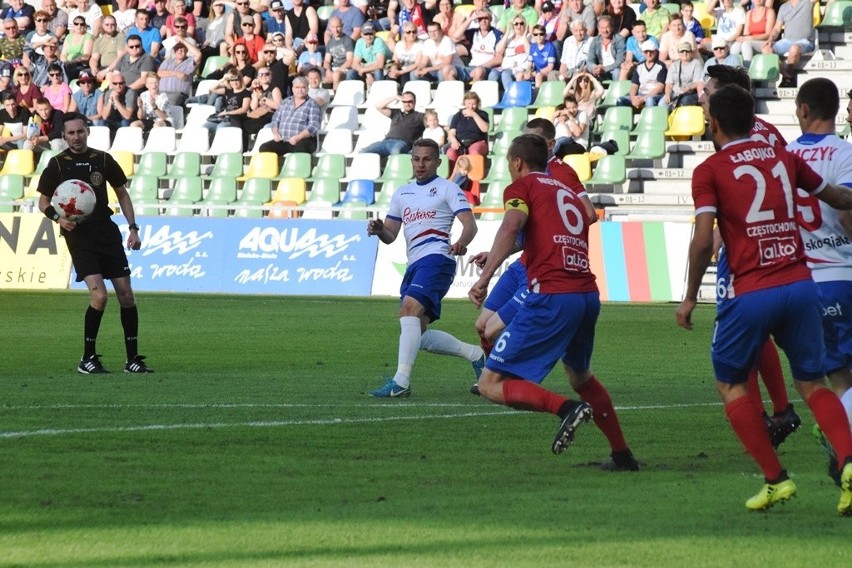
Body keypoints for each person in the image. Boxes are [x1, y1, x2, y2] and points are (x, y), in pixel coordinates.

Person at [675, 83, 852, 513]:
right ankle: (849, 462)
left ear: (713, 123)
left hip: (751, 290)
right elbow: (838, 198)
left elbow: (703, 242)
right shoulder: (784, 158)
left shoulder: (710, 170)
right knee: (813, 382)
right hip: (799, 283)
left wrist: (689, 296)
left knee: (731, 383)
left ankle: (776, 480)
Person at [467, 133, 615, 459]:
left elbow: (511, 225)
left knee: (490, 384)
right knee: (581, 376)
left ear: (517, 162)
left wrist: (485, 277)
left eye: (508, 163)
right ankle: (622, 454)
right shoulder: (564, 190)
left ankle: (566, 410)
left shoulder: (521, 188)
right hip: (586, 292)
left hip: (552, 294)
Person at [699, 64, 799, 448]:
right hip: (776, 244)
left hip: (746, 247)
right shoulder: (769, 133)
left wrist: (720, 234)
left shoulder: (733, 138)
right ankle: (781, 410)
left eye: (708, 91)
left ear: (724, 97)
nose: (702, 97)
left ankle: (763, 421)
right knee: (759, 333)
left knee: (738, 336)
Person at [367, 138, 484, 398]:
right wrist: (378, 231)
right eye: (416, 159)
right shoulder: (402, 193)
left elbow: (470, 225)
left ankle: (401, 382)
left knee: (408, 311)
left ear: (438, 162)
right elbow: (391, 235)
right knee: (417, 332)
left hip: (438, 259)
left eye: (427, 159)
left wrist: (461, 243)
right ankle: (477, 355)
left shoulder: (447, 189)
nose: (421, 164)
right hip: (415, 264)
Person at [37, 112, 153, 375]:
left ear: (87, 131)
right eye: (71, 133)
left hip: (106, 232)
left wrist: (133, 228)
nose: (76, 137)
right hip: (79, 235)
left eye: (80, 131)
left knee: (126, 294)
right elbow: (43, 201)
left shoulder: (102, 159)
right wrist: (58, 218)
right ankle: (87, 358)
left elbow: (122, 193)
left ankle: (132, 359)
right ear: (64, 136)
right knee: (99, 296)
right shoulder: (57, 164)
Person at [786, 78, 852, 482]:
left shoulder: (786, 155)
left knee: (837, 375)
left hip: (810, 277)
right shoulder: (846, 154)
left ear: (804, 109)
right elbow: (847, 214)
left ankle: (841, 445)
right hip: (843, 271)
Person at [259, 75, 320, 158]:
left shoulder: (313, 104)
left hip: (304, 140)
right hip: (284, 140)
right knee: (264, 148)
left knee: (300, 150)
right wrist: (275, 133)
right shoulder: (285, 102)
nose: (300, 90)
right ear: (292, 89)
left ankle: (297, 170)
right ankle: (274, 170)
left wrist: (298, 137)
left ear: (307, 89)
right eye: (297, 87)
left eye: (303, 87)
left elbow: (313, 126)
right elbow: (275, 120)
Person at [762, 0, 814, 87]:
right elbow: (776, 29)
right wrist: (770, 39)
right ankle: (787, 76)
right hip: (786, 41)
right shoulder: (783, 7)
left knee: (794, 48)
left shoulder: (807, 1)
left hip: (804, 41)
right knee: (766, 49)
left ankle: (787, 77)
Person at [362, 92, 424, 158]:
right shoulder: (396, 113)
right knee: (363, 152)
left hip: (402, 143)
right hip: (385, 142)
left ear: (415, 102)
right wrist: (394, 97)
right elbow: (378, 107)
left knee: (396, 152)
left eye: (410, 101)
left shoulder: (419, 116)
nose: (407, 104)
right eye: (405, 101)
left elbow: (431, 120)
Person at [617, 39, 666, 110]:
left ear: (656, 52)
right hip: (640, 94)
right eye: (646, 52)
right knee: (620, 100)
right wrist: (633, 97)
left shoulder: (660, 66)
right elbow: (634, 85)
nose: (649, 54)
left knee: (650, 100)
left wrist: (644, 98)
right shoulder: (640, 66)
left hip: (654, 95)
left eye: (651, 51)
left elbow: (660, 87)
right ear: (643, 52)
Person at [445, 91, 489, 168]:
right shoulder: (458, 116)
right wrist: (454, 141)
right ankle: (453, 176)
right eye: (468, 104)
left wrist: (474, 115)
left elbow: (485, 129)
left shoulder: (482, 114)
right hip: (460, 143)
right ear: (465, 103)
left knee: (474, 152)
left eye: (473, 104)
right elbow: (451, 133)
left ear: (477, 104)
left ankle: (474, 177)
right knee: (450, 153)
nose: (471, 106)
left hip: (477, 142)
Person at [731, 0, 775, 66]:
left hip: (764, 42)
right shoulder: (749, 13)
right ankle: (732, 70)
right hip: (750, 40)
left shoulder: (769, 12)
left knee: (746, 44)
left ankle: (747, 70)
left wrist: (750, 38)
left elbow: (768, 34)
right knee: (736, 45)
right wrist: (742, 38)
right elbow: (746, 33)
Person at [157, 41, 200, 107]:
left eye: (182, 47)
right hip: (161, 93)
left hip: (178, 94)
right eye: (177, 47)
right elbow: (159, 73)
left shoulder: (190, 61)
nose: (179, 50)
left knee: (168, 104)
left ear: (187, 49)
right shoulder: (168, 61)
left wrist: (182, 40)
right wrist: (176, 73)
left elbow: (199, 55)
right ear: (174, 50)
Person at [348, 22, 390, 87]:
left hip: (385, 67)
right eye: (366, 34)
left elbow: (380, 64)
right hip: (369, 67)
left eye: (371, 34)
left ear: (374, 33)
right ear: (361, 34)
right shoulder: (360, 42)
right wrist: (367, 73)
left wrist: (364, 70)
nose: (368, 37)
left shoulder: (378, 41)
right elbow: (354, 64)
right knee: (350, 73)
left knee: (377, 72)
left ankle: (380, 91)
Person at [663, 42, 702, 111]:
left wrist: (688, 88)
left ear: (691, 52)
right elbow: (669, 84)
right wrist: (667, 94)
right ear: (678, 53)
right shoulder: (674, 65)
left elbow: (698, 83)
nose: (684, 53)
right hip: (675, 93)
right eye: (682, 51)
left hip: (690, 93)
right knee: (662, 103)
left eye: (687, 51)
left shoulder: (696, 63)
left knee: (684, 101)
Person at [585, 16, 625, 82]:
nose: (605, 30)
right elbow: (590, 59)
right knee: (587, 70)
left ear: (612, 27)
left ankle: (615, 91)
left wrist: (604, 69)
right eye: (602, 28)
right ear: (598, 29)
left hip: (614, 69)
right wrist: (595, 67)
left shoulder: (619, 39)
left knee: (617, 72)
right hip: (600, 69)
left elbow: (620, 61)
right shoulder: (595, 40)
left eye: (607, 27)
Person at [90, 16, 127, 82]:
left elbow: (120, 58)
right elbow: (94, 58)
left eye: (112, 24)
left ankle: (106, 92)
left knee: (109, 75)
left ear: (116, 25)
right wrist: (93, 67)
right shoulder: (98, 40)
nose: (110, 26)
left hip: (115, 68)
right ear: (103, 25)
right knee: (83, 74)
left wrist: (106, 70)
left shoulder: (121, 37)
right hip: (101, 67)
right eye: (107, 25)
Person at [323, 16, 354, 90]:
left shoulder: (347, 40)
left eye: (338, 27)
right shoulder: (330, 42)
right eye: (333, 27)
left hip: (345, 68)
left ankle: (335, 96)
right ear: (330, 27)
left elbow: (350, 61)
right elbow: (327, 61)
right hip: (333, 67)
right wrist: (328, 71)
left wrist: (337, 71)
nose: (336, 30)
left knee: (336, 75)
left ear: (342, 26)